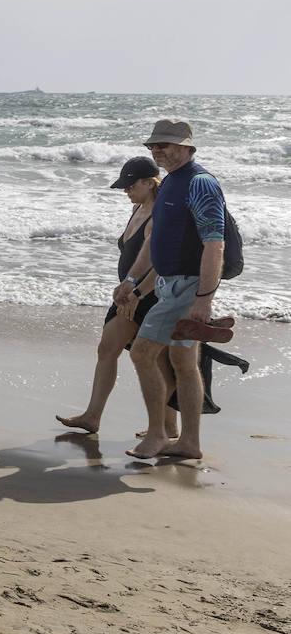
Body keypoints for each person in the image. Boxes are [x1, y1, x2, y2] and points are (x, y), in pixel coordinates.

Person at [114, 120, 226, 460]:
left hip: (187, 286)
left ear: (187, 147)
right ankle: (189, 442)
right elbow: (153, 242)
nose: (157, 150)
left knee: (142, 353)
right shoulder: (170, 184)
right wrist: (132, 282)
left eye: (165, 144)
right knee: (182, 360)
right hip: (168, 285)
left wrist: (204, 299)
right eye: (153, 146)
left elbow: (214, 244)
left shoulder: (200, 183)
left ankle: (158, 434)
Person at [56, 156, 176, 437]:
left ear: (150, 182)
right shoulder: (138, 207)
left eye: (130, 185)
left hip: (150, 295)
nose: (126, 190)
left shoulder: (159, 214)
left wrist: (136, 292)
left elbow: (161, 263)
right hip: (128, 293)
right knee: (107, 349)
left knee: (159, 360)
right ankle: (92, 416)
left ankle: (169, 426)